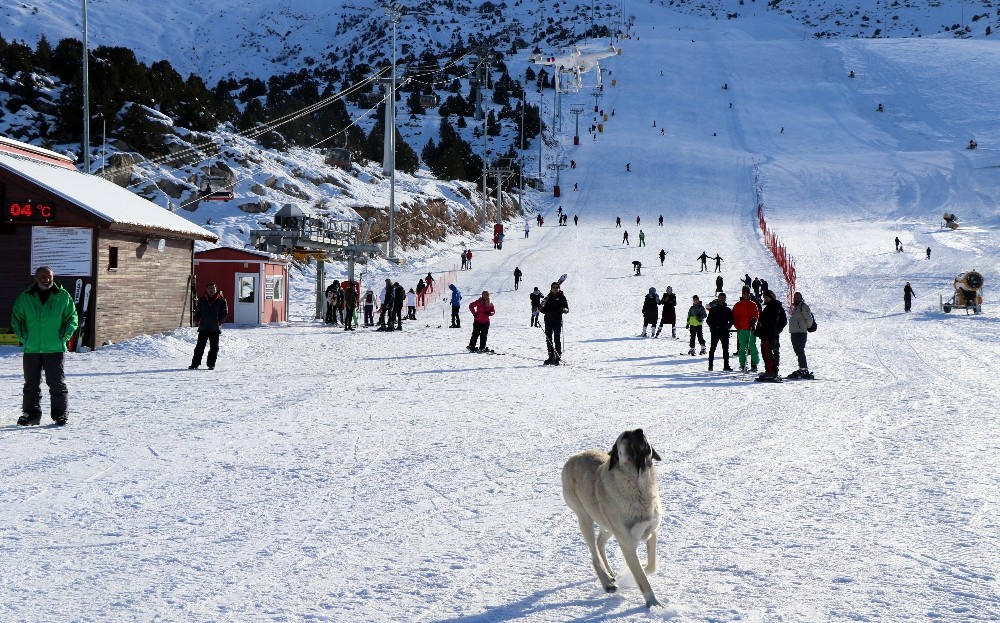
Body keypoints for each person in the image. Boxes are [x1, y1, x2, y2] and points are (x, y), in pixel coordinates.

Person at [11, 266, 78, 426]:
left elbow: (72, 318)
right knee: (31, 384)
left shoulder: (62, 296)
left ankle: (60, 415)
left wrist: (64, 336)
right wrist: (23, 337)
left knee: (56, 383)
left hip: (54, 347)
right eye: (42, 277)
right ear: (36, 278)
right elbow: (16, 317)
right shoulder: (26, 297)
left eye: (49, 276)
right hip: (32, 348)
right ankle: (31, 414)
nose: (46, 279)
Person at [189, 281, 228, 371]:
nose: (211, 290)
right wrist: (198, 320)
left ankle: (211, 364)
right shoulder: (202, 299)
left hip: (214, 328)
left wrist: (219, 321)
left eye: (213, 288)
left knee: (214, 348)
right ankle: (195, 364)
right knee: (199, 347)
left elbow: (224, 313)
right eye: (209, 288)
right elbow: (198, 311)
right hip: (203, 327)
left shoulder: (221, 300)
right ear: (207, 289)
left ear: (215, 289)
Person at [754, 289, 786, 381]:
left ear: (771, 297)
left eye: (767, 297)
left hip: (770, 334)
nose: (765, 299)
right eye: (764, 297)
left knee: (768, 353)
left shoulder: (775, 307)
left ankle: (771, 372)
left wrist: (776, 330)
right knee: (765, 353)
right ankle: (769, 370)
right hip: (765, 334)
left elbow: (782, 321)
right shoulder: (768, 307)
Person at [786, 291, 815, 379]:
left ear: (801, 298)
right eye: (795, 297)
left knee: (800, 350)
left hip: (800, 332)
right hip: (794, 332)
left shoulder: (803, 306)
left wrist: (807, 327)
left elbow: (809, 319)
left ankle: (804, 368)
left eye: (797, 297)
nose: (796, 299)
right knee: (797, 351)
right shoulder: (795, 307)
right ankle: (802, 367)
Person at [732, 286, 760, 373]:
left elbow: (756, 314)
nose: (746, 295)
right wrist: (738, 327)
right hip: (742, 329)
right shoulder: (738, 305)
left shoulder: (753, 304)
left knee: (752, 347)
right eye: (744, 294)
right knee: (742, 347)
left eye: (747, 294)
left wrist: (754, 320)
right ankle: (743, 364)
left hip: (751, 329)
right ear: (742, 294)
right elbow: (734, 317)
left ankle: (754, 363)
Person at [540, 281, 569, 364]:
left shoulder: (561, 297)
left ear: (558, 288)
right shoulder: (548, 297)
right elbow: (545, 310)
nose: (555, 289)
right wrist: (541, 309)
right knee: (548, 339)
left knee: (556, 338)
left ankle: (558, 356)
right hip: (548, 320)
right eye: (553, 287)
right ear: (551, 288)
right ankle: (551, 356)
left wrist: (564, 310)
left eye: (557, 287)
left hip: (557, 320)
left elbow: (567, 308)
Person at [706, 293, 734, 371]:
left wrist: (728, 327)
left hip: (724, 332)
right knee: (712, 349)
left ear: (725, 299)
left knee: (725, 349)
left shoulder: (728, 310)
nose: (722, 299)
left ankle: (726, 365)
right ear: (718, 298)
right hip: (715, 332)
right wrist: (714, 327)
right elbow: (708, 320)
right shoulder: (713, 309)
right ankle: (710, 366)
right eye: (721, 298)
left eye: (723, 298)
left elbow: (731, 320)